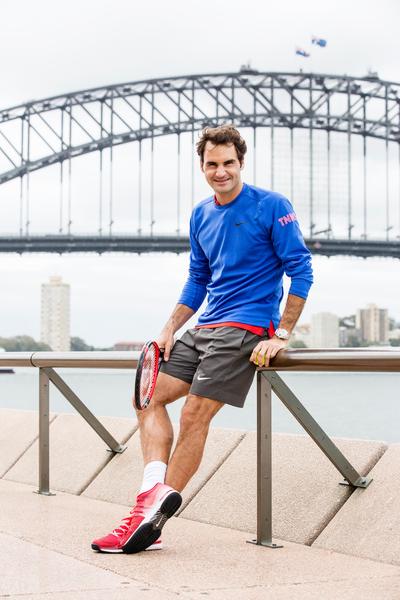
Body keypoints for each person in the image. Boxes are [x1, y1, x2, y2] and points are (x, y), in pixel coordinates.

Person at [91, 124, 313, 554]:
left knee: (195, 414)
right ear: (202, 166)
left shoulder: (272, 206)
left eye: (228, 163)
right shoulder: (200, 214)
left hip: (245, 329)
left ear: (241, 163)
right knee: (147, 397)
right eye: (212, 164)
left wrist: (282, 334)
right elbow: (198, 279)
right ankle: (150, 497)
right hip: (204, 326)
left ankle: (147, 519)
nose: (220, 172)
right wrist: (170, 328)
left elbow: (300, 268)